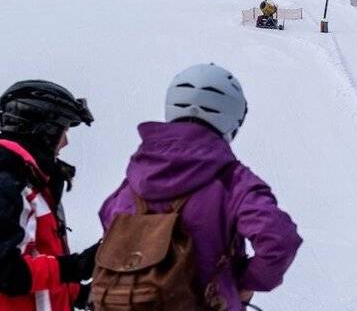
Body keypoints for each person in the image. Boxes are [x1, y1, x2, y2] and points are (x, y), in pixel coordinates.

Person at [97, 64, 301, 310]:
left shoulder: (135, 179)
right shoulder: (232, 179)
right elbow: (278, 238)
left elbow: (108, 219)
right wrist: (244, 285)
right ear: (232, 117)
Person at [0, 80, 98, 311]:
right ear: (44, 130)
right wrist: (78, 266)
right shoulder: (3, 190)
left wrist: (83, 294)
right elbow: (8, 274)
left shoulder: (32, 188)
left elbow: (40, 265)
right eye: (64, 130)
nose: (66, 142)